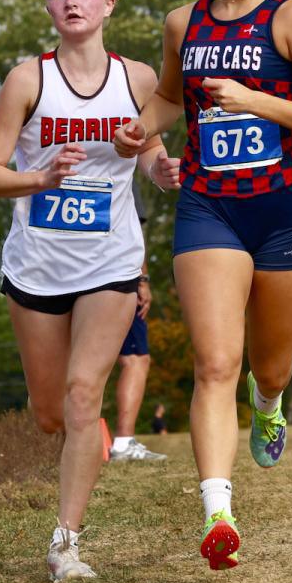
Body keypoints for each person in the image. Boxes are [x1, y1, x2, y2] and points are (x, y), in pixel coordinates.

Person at [115, 0, 292, 570]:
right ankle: (219, 513)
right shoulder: (182, 23)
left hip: (283, 213)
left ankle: (270, 401)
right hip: (209, 206)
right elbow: (170, 99)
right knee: (215, 362)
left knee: (267, 365)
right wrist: (139, 129)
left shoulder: (290, 20)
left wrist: (256, 100)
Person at [0, 0, 180, 582]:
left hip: (110, 260)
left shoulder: (140, 80)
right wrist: (40, 176)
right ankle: (84, 446)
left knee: (83, 392)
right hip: (37, 268)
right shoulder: (27, 81)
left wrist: (162, 171)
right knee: (52, 414)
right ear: (49, 8)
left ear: (108, 4)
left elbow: (148, 154)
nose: (72, 1)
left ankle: (66, 542)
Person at [109, 180, 167, 461]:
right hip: (114, 271)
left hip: (55, 273)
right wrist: (142, 278)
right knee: (135, 359)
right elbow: (133, 227)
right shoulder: (118, 153)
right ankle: (122, 442)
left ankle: (58, 442)